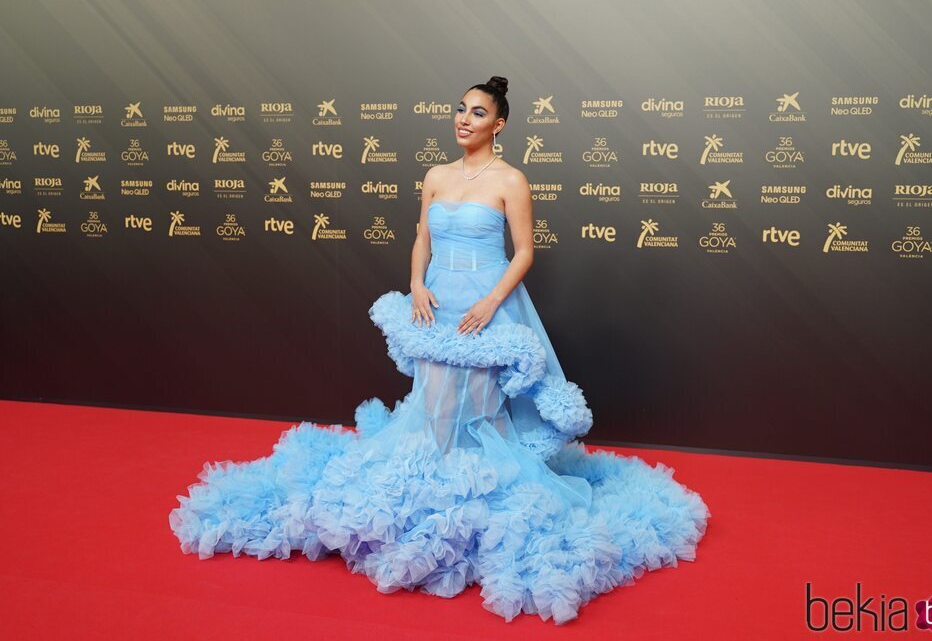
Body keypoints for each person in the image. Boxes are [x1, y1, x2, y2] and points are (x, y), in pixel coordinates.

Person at [169, 76, 711, 625]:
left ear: (498, 124)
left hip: (485, 306)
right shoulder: (435, 175)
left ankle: (468, 508)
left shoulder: (511, 180)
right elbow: (422, 235)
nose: (464, 119)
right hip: (435, 303)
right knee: (431, 401)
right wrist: (416, 284)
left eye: (477, 113)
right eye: (460, 110)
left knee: (475, 408)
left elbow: (523, 252)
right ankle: (427, 498)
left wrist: (491, 302)